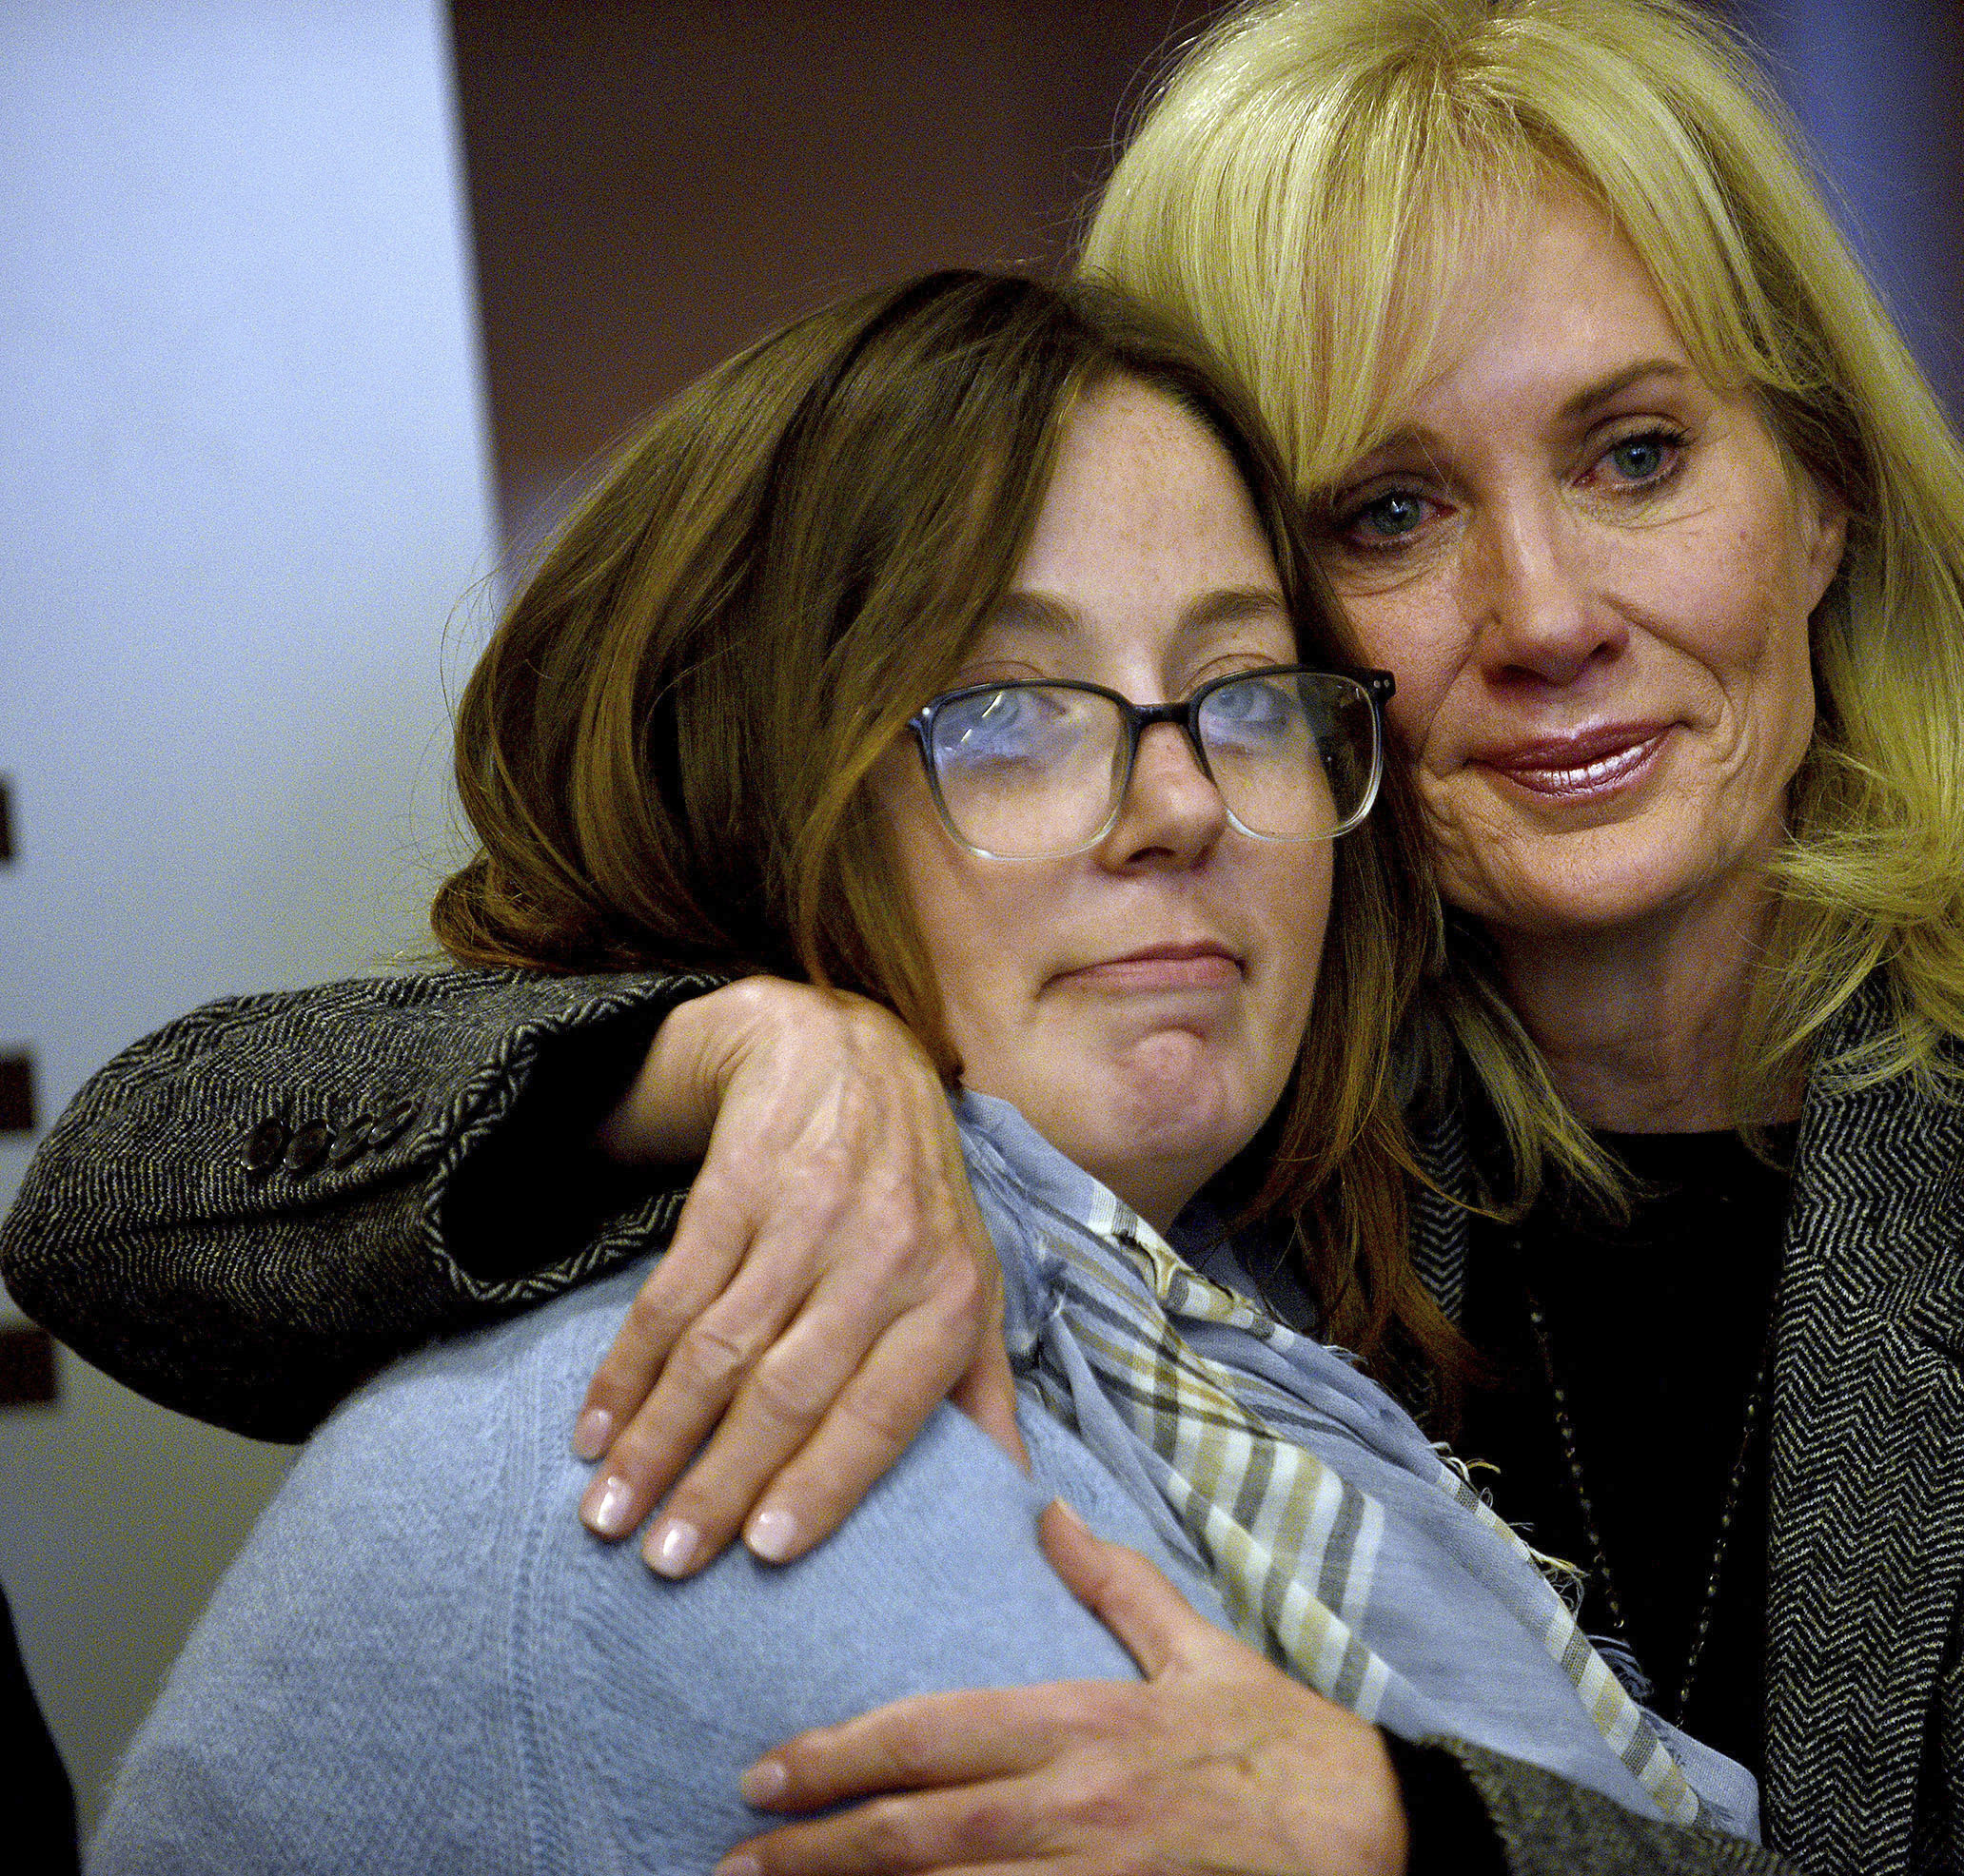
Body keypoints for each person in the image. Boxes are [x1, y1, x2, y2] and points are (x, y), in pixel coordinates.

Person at [5, 1, 1964, 1869]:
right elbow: (131, 1190)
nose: (1543, 614)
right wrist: (736, 1052)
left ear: (1822, 499)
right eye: (1391, 513)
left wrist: (1412, 1838)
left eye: (1638, 455)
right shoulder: (1201, 1092)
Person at [77, 269, 1763, 1874]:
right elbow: (116, 1189)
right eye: (1012, 707)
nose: (1177, 804)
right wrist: (726, 1049)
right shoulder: (771, 1410)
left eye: (1242, 692)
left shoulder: (1226, 1313)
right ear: (748, 789)